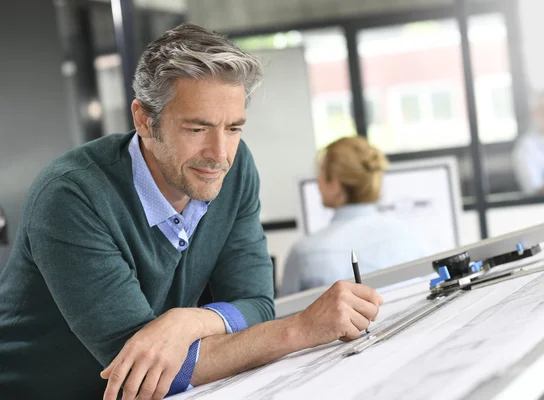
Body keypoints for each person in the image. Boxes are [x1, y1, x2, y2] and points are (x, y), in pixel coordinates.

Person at [0, 24, 383, 400]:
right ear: (144, 120)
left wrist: (191, 320)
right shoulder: (71, 195)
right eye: (198, 129)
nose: (220, 154)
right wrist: (301, 329)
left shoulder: (235, 168)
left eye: (233, 128)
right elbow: (146, 369)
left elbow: (257, 304)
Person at [280, 137, 427, 296]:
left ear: (335, 185)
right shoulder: (411, 237)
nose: (318, 181)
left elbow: (283, 316)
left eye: (320, 174)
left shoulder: (305, 253)